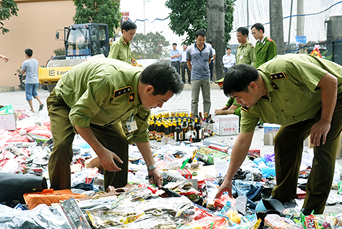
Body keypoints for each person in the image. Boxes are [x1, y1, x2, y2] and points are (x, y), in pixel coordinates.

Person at [216, 54, 342, 215]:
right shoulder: (250, 107)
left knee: (322, 146)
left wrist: (325, 121)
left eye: (238, 97)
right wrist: (228, 180)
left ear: (253, 86)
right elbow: (242, 142)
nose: (237, 103)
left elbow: (331, 82)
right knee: (284, 140)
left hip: (338, 92)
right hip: (306, 106)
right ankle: (283, 198)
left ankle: (311, 211)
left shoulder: (286, 68)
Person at [47, 58, 183, 191]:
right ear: (148, 89)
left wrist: (151, 167)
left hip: (99, 111)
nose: (160, 106)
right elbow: (79, 116)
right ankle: (59, 194)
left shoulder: (143, 98)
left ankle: (116, 193)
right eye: (160, 100)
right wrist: (101, 152)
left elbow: (140, 133)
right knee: (62, 145)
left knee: (119, 143)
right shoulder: (109, 81)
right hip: (66, 100)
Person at [187, 29, 213, 118]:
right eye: (200, 40)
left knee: (207, 99)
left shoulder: (209, 47)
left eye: (203, 40)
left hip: (206, 76)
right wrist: (193, 70)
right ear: (195, 38)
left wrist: (204, 67)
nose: (202, 42)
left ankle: (206, 116)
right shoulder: (190, 49)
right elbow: (188, 61)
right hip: (195, 77)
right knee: (194, 99)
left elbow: (210, 59)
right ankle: (194, 116)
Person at [21, 48, 44, 113]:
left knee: (28, 94)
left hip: (29, 81)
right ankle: (40, 102)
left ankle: (32, 108)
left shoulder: (25, 62)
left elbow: (22, 72)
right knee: (34, 92)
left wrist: (23, 71)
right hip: (36, 80)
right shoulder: (36, 61)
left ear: (26, 54)